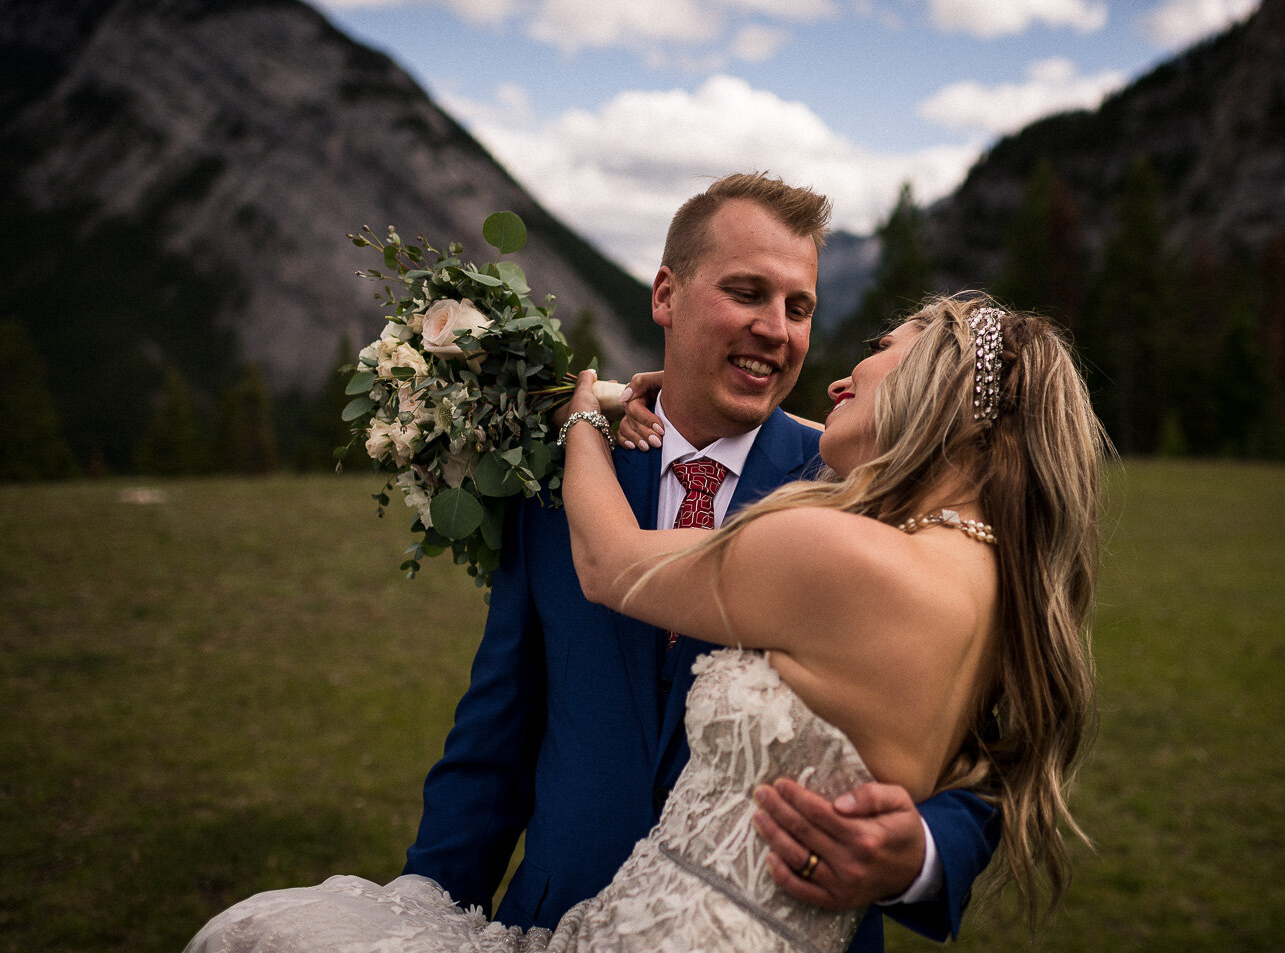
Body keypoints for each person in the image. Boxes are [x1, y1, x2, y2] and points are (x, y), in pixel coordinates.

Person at [182, 175, 1002, 953]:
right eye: (747, 293)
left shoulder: (859, 490)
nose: (777, 330)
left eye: (800, 307)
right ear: (665, 296)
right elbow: (499, 722)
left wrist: (920, 855)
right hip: (554, 919)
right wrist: (423, 904)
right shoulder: (550, 481)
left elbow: (977, 746)